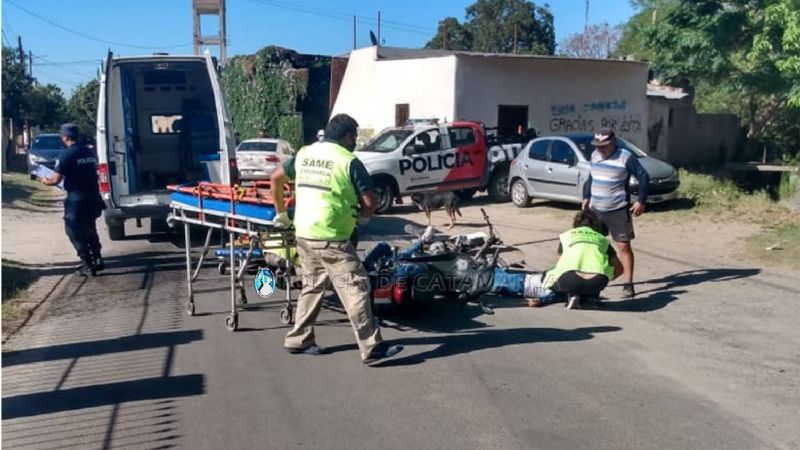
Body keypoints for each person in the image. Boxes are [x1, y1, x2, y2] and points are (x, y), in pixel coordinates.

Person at [271, 114, 403, 365]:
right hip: (332, 239)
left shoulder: (305, 153)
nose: (355, 141)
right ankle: (371, 346)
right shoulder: (348, 161)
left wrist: (281, 214)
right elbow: (370, 201)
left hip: (305, 234)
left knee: (312, 285)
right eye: (354, 136)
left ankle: (299, 339)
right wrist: (364, 217)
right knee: (356, 289)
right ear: (346, 136)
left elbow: (275, 178)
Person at [581, 129, 648, 298]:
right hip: (596, 209)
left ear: (613, 142)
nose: (600, 150)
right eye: (597, 146)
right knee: (594, 246)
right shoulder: (595, 156)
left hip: (617, 209)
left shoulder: (625, 156)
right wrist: (586, 196)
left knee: (623, 247)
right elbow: (591, 177)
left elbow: (643, 175)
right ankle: (593, 282)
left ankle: (628, 284)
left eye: (604, 146)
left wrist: (641, 200)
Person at [41, 123, 105, 276]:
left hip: (77, 198)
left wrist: (45, 180)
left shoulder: (66, 154)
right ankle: (98, 258)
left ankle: (87, 264)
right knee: (90, 227)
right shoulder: (88, 152)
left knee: (73, 230)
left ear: (65, 137)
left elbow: (56, 179)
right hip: (93, 196)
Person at [541, 209, 623, 310]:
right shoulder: (602, 239)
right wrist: (605, 279)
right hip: (597, 281)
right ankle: (592, 296)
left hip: (571, 280)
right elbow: (619, 269)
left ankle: (571, 295)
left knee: (547, 274)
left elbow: (560, 265)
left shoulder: (566, 236)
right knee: (598, 271)